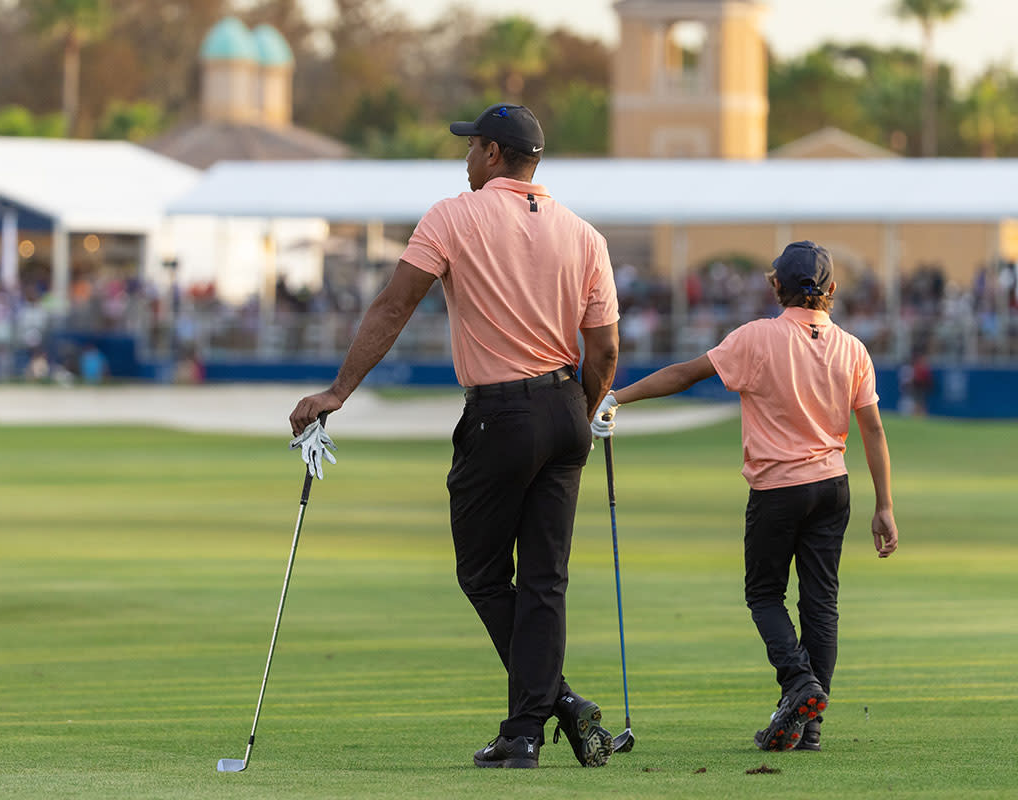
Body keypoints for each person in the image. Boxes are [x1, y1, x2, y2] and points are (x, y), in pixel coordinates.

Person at [289, 103, 621, 769]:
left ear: (494, 154)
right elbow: (606, 348)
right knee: (545, 582)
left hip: (500, 414)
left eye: (472, 148)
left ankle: (552, 705)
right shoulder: (585, 234)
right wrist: (578, 415)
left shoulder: (452, 215)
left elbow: (393, 305)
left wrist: (337, 392)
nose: (465, 159)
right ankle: (527, 730)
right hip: (565, 409)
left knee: (482, 571)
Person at [592, 240, 899, 753]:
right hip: (833, 487)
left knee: (763, 594)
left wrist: (617, 396)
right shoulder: (852, 347)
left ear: (775, 285)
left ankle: (800, 686)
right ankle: (808, 727)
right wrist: (885, 505)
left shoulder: (757, 338)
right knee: (821, 606)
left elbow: (687, 374)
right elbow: (873, 430)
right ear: (832, 290)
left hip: (779, 489)